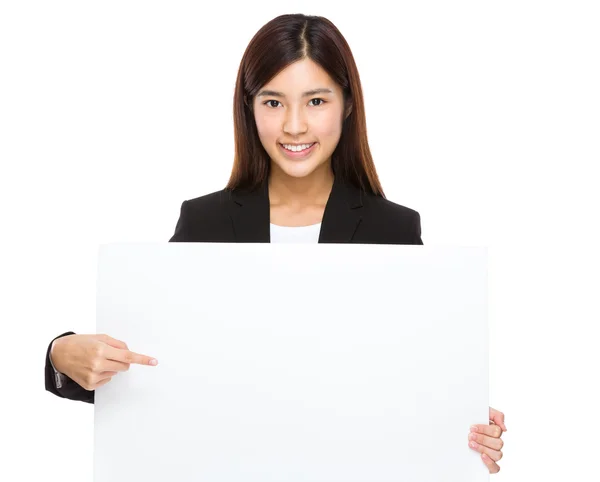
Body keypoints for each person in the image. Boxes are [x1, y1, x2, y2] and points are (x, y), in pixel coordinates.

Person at [44, 13, 506, 474]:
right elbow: (155, 364)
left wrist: (463, 424)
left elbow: (413, 380)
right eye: (273, 103)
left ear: (346, 104)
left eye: (316, 101)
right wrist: (62, 354)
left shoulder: (395, 231)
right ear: (249, 108)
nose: (295, 126)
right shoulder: (206, 222)